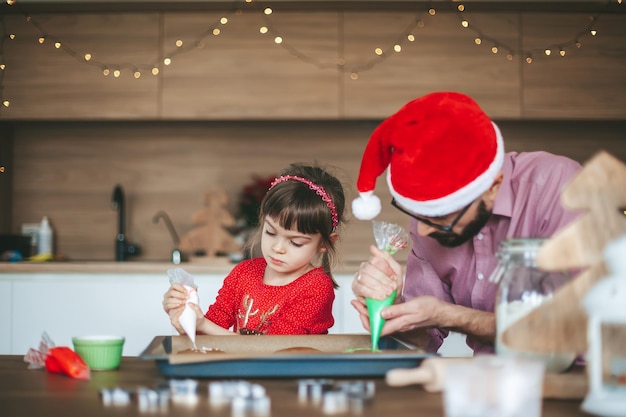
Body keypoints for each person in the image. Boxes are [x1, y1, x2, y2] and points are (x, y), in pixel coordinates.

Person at [349, 91, 582, 354]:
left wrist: (449, 315)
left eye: (441, 216)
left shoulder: (558, 188)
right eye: (419, 215)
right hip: (484, 381)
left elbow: (573, 326)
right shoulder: (429, 220)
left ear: (492, 187)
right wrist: (393, 309)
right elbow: (422, 341)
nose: (423, 230)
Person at [162, 163, 347, 335]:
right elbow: (208, 334)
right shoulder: (244, 273)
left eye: (296, 242)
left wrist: (202, 324)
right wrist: (185, 314)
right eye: (271, 232)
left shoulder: (316, 288)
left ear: (324, 243)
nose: (278, 248)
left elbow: (273, 350)